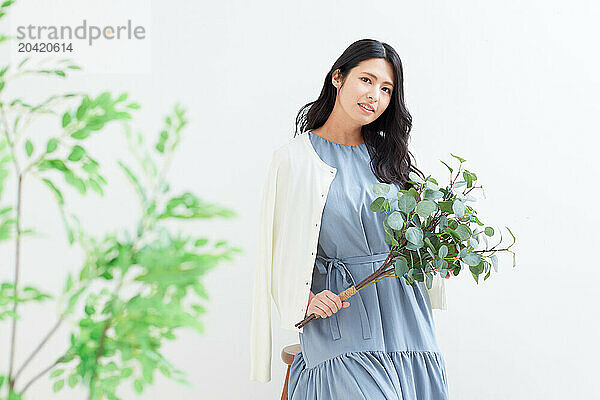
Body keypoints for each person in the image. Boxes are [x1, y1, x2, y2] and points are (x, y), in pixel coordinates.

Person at [284, 39, 450, 399]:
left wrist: (439, 256)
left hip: (403, 306)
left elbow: (413, 235)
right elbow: (276, 250)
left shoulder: (388, 157)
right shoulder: (295, 159)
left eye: (387, 88)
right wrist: (304, 297)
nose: (375, 95)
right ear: (338, 77)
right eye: (367, 80)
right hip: (340, 314)